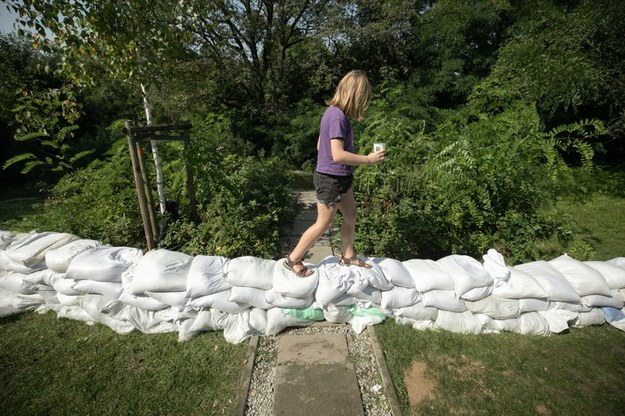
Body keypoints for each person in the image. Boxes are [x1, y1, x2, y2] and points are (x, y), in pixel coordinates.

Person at [284, 70, 386, 277]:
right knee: (324, 223)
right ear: (356, 95)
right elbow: (337, 154)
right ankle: (293, 258)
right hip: (331, 180)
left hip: (340, 177)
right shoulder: (338, 118)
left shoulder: (332, 113)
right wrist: (368, 159)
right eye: (363, 97)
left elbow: (321, 144)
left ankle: (347, 255)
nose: (364, 102)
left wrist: (332, 164)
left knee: (350, 216)